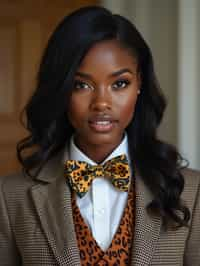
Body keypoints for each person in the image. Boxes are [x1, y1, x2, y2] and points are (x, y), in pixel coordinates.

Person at [0, 5, 199, 266]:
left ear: (139, 83)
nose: (101, 103)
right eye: (81, 85)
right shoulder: (11, 196)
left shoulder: (191, 193)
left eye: (119, 84)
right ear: (61, 90)